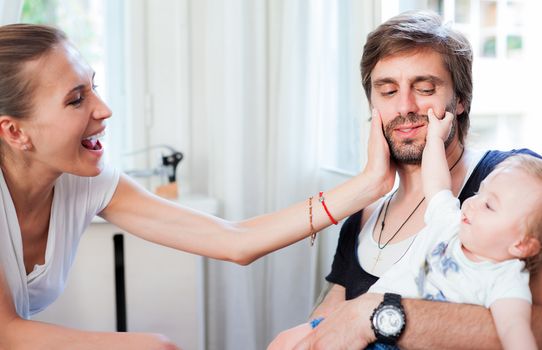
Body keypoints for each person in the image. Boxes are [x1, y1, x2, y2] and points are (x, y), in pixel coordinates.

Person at [0, 24, 396, 349]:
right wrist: (149, 345)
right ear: (15, 131)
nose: (103, 109)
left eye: (93, 86)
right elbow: (8, 333)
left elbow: (234, 241)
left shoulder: (86, 181)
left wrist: (368, 185)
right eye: (76, 99)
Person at [289, 10, 542, 350]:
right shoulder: (364, 214)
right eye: (388, 91)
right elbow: (322, 327)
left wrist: (375, 315)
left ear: (461, 100)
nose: (405, 106)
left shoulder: (514, 183)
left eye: (424, 88)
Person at [269, 110, 542, 350]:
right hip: (353, 323)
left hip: (395, 341)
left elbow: (514, 332)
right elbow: (436, 183)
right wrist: (435, 139)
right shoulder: (449, 223)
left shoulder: (506, 279)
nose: (471, 203)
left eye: (489, 206)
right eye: (479, 194)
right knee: (284, 342)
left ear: (523, 245)